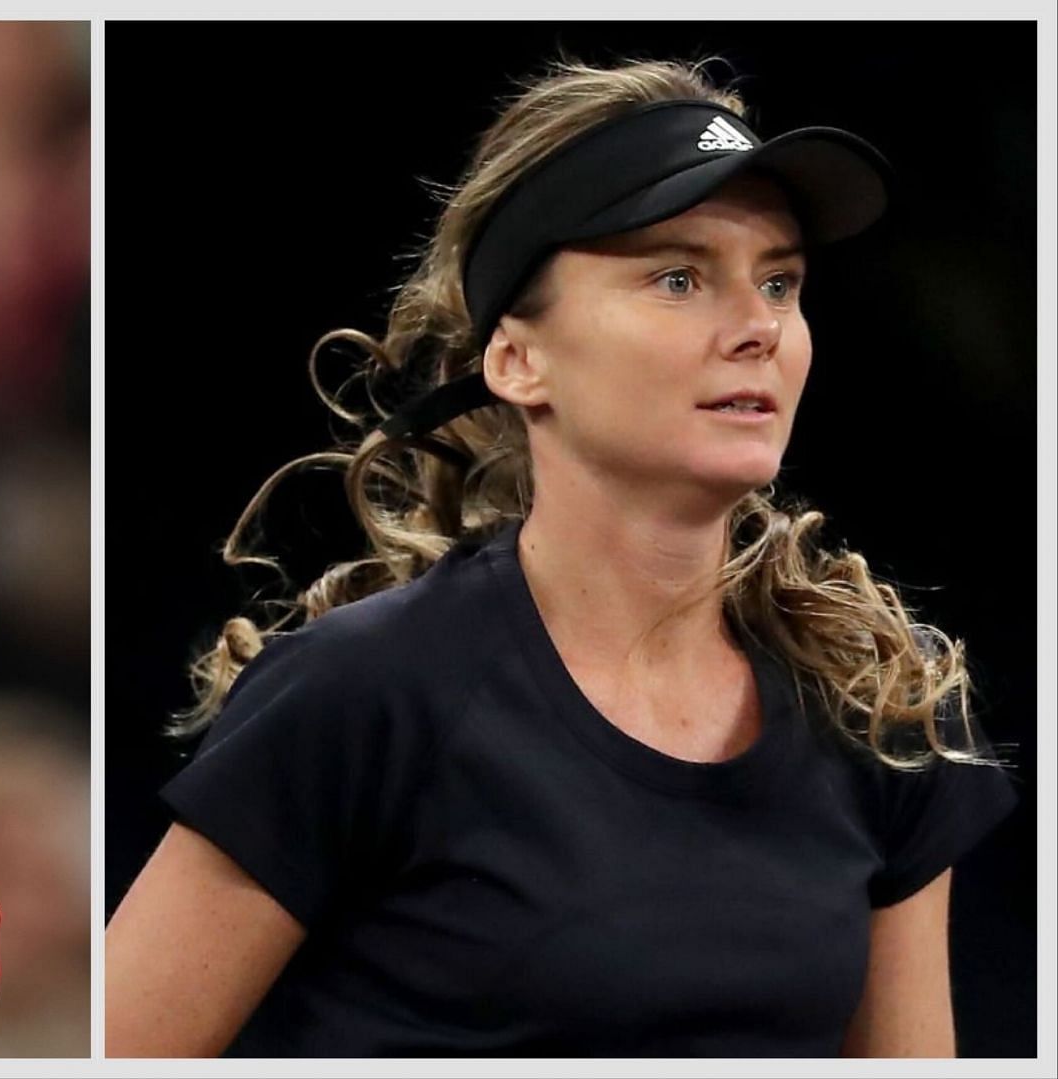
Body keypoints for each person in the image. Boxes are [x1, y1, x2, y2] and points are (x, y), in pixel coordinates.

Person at [105, 58, 1016, 1058]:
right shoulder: (361, 695)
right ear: (517, 358)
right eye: (678, 277)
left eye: (780, 281)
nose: (758, 327)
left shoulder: (877, 708)